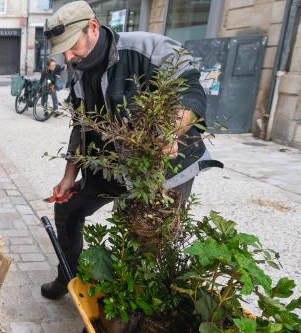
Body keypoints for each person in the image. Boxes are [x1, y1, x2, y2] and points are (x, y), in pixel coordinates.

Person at [40, 1, 210, 301]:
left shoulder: (147, 48)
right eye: (61, 50)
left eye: (71, 45)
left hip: (161, 169)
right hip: (112, 166)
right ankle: (68, 275)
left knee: (140, 240)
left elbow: (191, 92)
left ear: (92, 27)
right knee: (67, 207)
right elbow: (80, 126)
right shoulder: (79, 69)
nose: (67, 56)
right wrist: (69, 176)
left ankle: (122, 315)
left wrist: (170, 130)